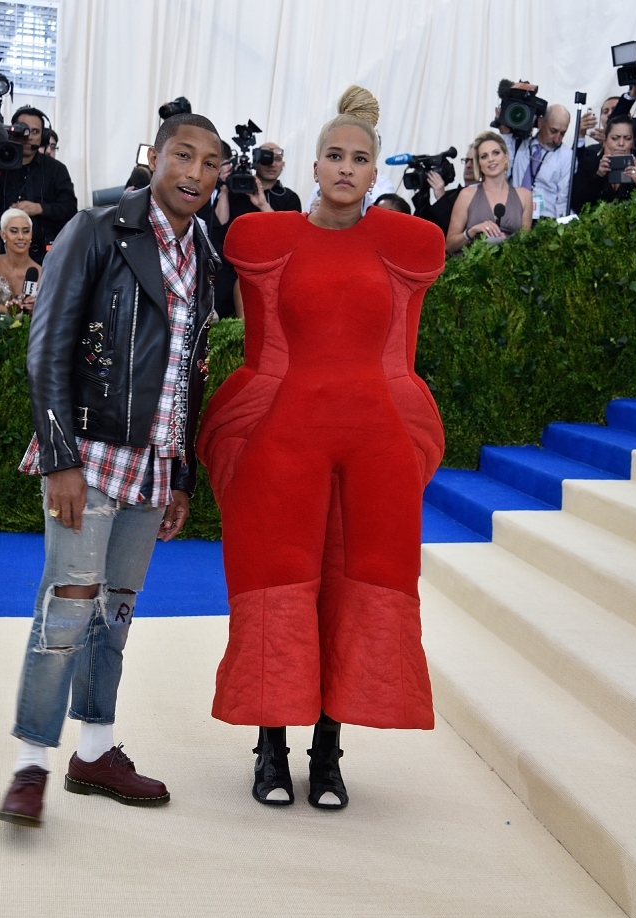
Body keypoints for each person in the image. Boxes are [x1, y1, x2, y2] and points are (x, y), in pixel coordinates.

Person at [197, 86, 445, 810]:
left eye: (359, 159)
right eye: (334, 155)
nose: (345, 167)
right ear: (314, 165)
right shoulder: (267, 242)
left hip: (373, 449)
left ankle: (328, 753)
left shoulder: (406, 249)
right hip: (284, 443)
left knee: (346, 586)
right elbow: (266, 353)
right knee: (281, 583)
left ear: (375, 175)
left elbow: (399, 359)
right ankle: (271, 747)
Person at [0, 110, 222, 829]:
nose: (194, 173)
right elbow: (47, 347)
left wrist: (182, 474)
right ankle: (29, 765)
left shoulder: (206, 258)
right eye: (183, 156)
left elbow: (191, 374)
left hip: (154, 466)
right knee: (68, 604)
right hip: (88, 455)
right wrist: (60, 458)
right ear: (154, 157)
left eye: (210, 163)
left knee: (114, 614)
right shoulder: (98, 230)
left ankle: (94, 752)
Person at [209, 141, 302, 318]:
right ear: (256, 161)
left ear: (284, 164)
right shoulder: (236, 190)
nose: (272, 164)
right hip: (229, 270)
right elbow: (219, 229)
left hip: (269, 274)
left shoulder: (289, 198)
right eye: (267, 158)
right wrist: (225, 190)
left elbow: (290, 238)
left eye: (278, 159)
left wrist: (262, 204)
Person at [0, 106, 78, 263]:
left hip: (45, 258)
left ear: (43, 137)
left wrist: (39, 208)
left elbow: (70, 209)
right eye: (24, 130)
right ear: (12, 131)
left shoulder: (56, 169)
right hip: (1, 256)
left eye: (35, 132)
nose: (28, 136)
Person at [446, 132, 532, 255]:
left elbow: (526, 245)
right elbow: (450, 245)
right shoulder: (466, 195)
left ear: (506, 157)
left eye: (496, 153)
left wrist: (507, 242)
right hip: (471, 268)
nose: (491, 159)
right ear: (479, 165)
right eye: (484, 156)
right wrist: (472, 231)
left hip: (509, 267)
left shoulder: (524, 196)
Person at [570, 114, 636, 212]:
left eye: (627, 138)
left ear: (633, 143)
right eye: (615, 138)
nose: (621, 143)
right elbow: (576, 203)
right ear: (605, 141)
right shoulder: (589, 164)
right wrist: (598, 176)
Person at [504, 104, 573, 219]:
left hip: (545, 220)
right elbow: (503, 174)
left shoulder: (567, 156)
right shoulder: (521, 144)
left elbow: (563, 199)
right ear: (541, 122)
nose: (557, 139)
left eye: (562, 134)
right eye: (553, 131)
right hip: (513, 215)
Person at [0, 208, 42, 313]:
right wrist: (12, 312)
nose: (21, 237)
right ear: (3, 234)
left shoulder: (41, 272)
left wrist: (35, 308)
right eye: (14, 231)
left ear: (31, 235)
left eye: (26, 231)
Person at [414, 146, 478, 235]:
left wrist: (441, 198)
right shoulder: (450, 194)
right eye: (466, 160)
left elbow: (455, 232)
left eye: (474, 162)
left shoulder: (484, 196)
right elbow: (423, 226)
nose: (468, 165)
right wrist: (423, 191)